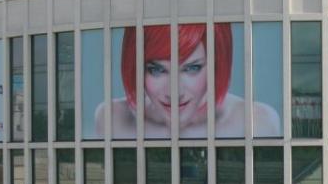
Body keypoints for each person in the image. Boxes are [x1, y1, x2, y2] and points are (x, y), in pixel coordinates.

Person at [103, 24, 280, 139]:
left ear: (217, 64)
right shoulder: (113, 118)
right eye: (156, 70)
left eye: (192, 68)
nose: (174, 92)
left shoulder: (257, 121)